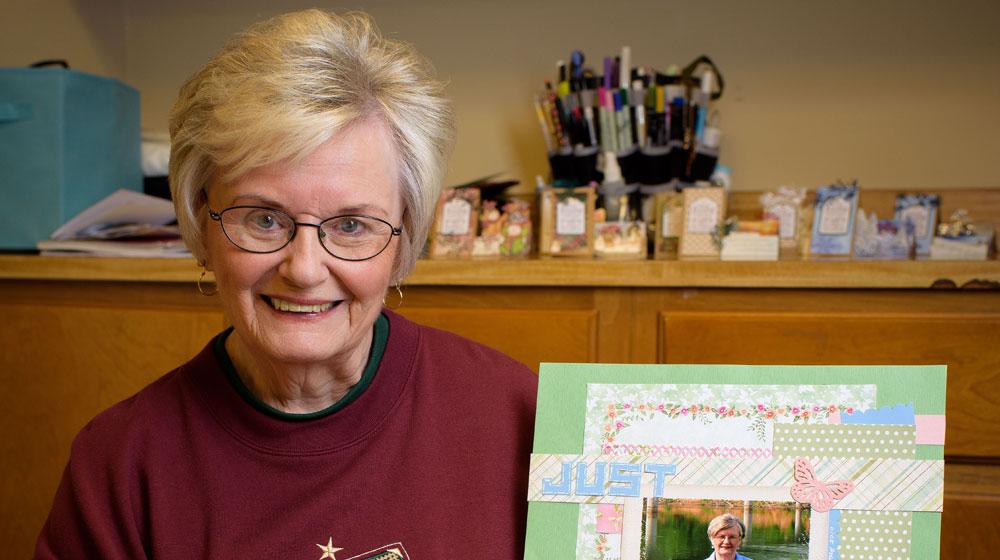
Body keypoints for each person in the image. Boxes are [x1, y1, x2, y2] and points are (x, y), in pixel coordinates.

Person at [35, 9, 537, 559]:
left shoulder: (521, 418)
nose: (303, 269)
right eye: (264, 219)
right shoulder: (120, 464)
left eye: (350, 225)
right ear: (203, 226)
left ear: (403, 242)